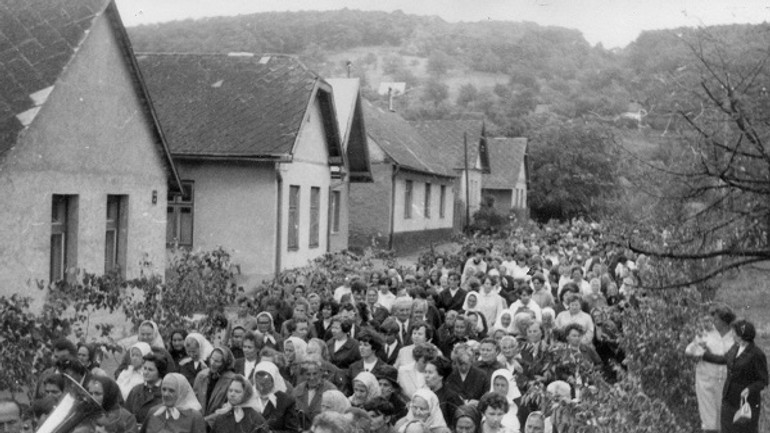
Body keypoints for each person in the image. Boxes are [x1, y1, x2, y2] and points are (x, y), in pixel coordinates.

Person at [703, 319, 768, 433]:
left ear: (742, 335)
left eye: (735, 333)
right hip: (728, 400)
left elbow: (764, 380)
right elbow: (723, 359)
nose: (732, 334)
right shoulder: (735, 347)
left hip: (746, 404)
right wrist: (703, 355)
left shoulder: (757, 354)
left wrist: (749, 389)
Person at [684, 305, 735, 433]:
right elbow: (689, 351)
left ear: (725, 322)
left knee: (725, 420)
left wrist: (707, 355)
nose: (713, 322)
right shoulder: (706, 334)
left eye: (717, 319)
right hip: (706, 381)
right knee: (709, 422)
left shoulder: (735, 337)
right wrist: (698, 352)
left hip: (727, 383)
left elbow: (732, 359)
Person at [140, 373, 205, 433]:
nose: (166, 394)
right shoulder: (153, 412)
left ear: (181, 392)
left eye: (171, 391)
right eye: (164, 389)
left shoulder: (194, 417)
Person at [253, 361, 300, 433]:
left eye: (266, 381)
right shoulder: (247, 397)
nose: (262, 385)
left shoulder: (285, 401)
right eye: (258, 380)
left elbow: (293, 431)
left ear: (273, 380)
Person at [125, 353, 167, 427]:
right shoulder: (136, 390)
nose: (145, 372)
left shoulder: (166, 392)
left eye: (150, 370)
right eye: (144, 368)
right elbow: (126, 415)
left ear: (160, 372)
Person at [293, 359, 338, 429]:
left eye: (315, 373)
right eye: (308, 374)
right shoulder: (297, 390)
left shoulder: (331, 390)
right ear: (304, 375)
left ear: (321, 373)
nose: (312, 377)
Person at [192, 346, 236, 417]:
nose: (212, 363)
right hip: (199, 420)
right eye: (212, 359)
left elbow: (229, 407)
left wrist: (209, 420)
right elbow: (194, 399)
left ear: (225, 363)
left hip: (218, 422)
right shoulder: (202, 375)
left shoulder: (231, 380)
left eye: (217, 361)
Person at [423, 356, 464, 429]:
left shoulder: (451, 397)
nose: (426, 376)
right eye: (425, 372)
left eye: (430, 372)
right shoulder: (424, 394)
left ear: (441, 376)